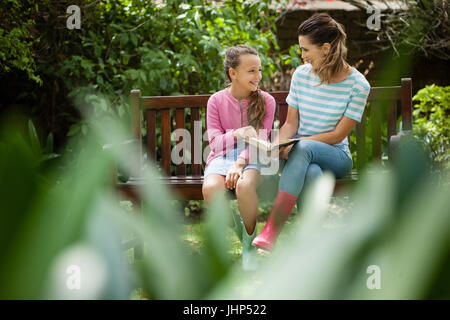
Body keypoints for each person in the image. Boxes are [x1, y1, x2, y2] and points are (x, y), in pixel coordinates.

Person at [252, 13, 371, 251]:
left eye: (306, 50)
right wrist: (280, 144)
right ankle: (310, 245)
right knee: (312, 172)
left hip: (336, 156)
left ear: (326, 48)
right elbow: (290, 124)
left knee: (304, 149)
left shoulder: (358, 85)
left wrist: (297, 143)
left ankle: (272, 229)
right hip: (301, 158)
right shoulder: (301, 75)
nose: (302, 56)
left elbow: (338, 135)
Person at [202, 45, 276, 270]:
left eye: (259, 70)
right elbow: (214, 143)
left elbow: (261, 142)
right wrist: (236, 133)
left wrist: (240, 162)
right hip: (221, 156)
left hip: (254, 155)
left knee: (244, 186)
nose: (258, 76)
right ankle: (244, 237)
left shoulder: (267, 101)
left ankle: (249, 247)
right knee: (210, 189)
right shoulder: (215, 101)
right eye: (251, 71)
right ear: (233, 73)